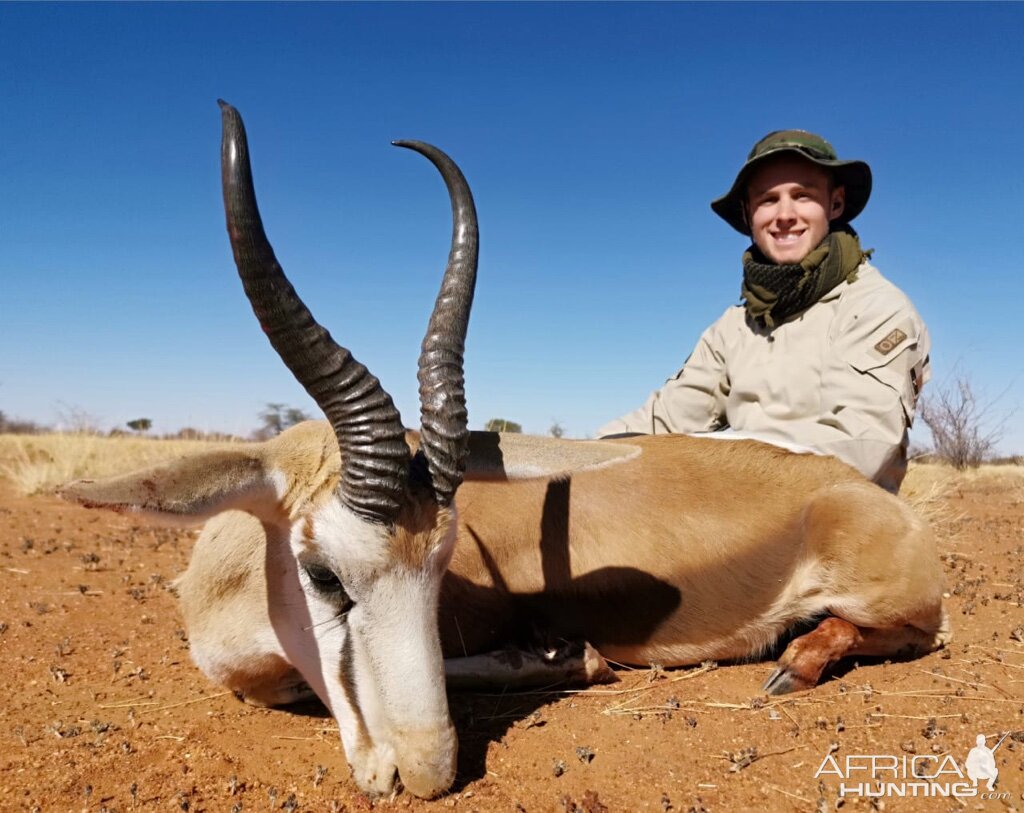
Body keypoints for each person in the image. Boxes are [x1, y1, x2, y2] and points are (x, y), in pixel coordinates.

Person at [597, 130, 930, 493]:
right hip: (733, 517)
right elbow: (664, 421)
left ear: (834, 204)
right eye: (768, 200)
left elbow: (858, 448)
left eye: (802, 196)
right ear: (748, 213)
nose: (785, 215)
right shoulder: (734, 327)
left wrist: (703, 465)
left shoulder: (875, 307)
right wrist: (578, 460)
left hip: (835, 530)